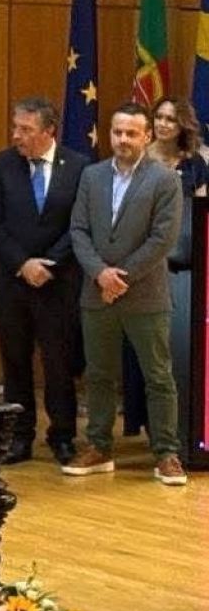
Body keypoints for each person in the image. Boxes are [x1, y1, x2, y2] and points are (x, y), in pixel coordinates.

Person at [64, 102, 188, 485]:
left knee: (158, 376)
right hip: (97, 292)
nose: (123, 139)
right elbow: (78, 231)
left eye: (132, 133)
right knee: (99, 374)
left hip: (146, 295)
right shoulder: (91, 175)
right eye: (117, 132)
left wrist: (123, 277)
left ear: (146, 136)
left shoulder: (166, 179)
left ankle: (166, 453)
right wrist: (101, 274)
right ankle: (99, 446)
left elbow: (162, 238)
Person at [0, 98, 88, 466]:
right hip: (12, 282)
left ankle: (62, 435)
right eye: (16, 127)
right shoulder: (2, 164)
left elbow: (79, 224)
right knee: (15, 364)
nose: (17, 136)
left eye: (26, 130)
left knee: (59, 364)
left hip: (58, 284)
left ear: (48, 131)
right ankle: (19, 436)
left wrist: (50, 264)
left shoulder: (77, 166)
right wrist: (23, 263)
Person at [122, 96, 209, 439]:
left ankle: (179, 424)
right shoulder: (137, 161)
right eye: (158, 117)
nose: (162, 124)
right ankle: (143, 422)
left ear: (182, 125)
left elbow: (202, 215)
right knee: (143, 350)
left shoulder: (196, 165)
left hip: (184, 270)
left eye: (170, 119)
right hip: (143, 266)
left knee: (179, 350)